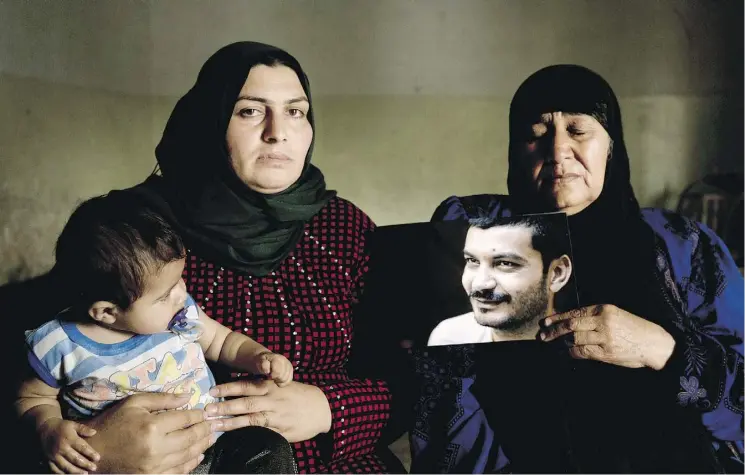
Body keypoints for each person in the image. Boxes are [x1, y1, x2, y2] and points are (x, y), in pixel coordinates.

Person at [49, 41, 397, 474]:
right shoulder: (132, 230)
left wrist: (330, 408)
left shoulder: (345, 229)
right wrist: (101, 451)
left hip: (336, 465)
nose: (278, 131)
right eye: (250, 111)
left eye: (296, 111)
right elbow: (50, 360)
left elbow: (410, 376)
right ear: (209, 122)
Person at [412, 64, 743, 473]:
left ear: (610, 145)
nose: (557, 151)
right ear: (515, 149)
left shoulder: (684, 246)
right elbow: (443, 406)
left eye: (579, 130)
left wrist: (660, 348)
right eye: (537, 133)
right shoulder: (475, 231)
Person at [16, 191, 294, 474]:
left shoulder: (180, 314)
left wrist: (259, 356)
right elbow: (32, 398)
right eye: (164, 295)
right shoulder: (58, 345)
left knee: (268, 448)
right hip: (138, 462)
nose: (181, 294)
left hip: (216, 443)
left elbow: (222, 342)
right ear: (107, 312)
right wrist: (49, 428)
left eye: (179, 280)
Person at [428, 213, 574, 346]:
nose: (479, 284)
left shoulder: (582, 347)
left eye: (506, 263)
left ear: (557, 274)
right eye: (472, 260)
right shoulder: (448, 337)